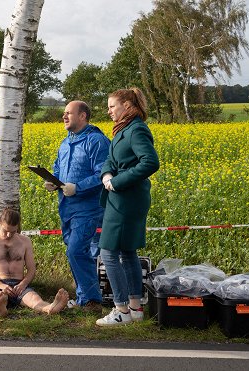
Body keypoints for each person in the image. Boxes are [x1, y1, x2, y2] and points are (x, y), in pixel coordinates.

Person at [96, 88, 160, 327]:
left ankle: (120, 309)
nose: (109, 110)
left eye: (112, 106)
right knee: (127, 252)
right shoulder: (123, 129)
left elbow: (151, 162)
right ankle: (135, 308)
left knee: (108, 253)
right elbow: (111, 159)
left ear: (126, 105)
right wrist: (106, 174)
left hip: (126, 200)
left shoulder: (137, 129)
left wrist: (117, 182)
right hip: (122, 198)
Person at [43, 100, 110, 315]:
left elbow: (104, 174)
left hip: (88, 208)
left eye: (68, 113)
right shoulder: (66, 142)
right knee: (77, 252)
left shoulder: (96, 141)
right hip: (67, 207)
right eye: (63, 113)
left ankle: (92, 300)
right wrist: (53, 181)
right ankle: (83, 298)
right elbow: (57, 167)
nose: (64, 116)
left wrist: (78, 187)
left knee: (75, 251)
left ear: (82, 116)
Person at [0, 209, 69, 317]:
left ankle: (50, 307)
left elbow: (31, 269)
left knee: (34, 299)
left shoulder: (25, 241)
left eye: (12, 231)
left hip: (19, 285)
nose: (8, 235)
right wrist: (0, 285)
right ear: (0, 223)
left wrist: (23, 284)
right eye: (5, 230)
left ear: (17, 226)